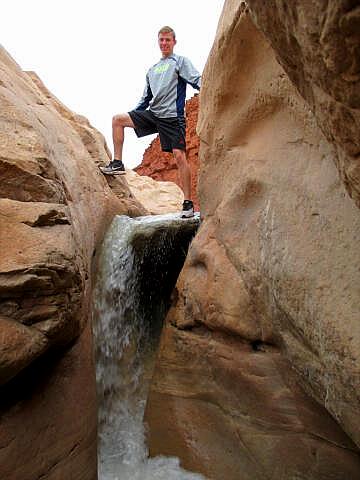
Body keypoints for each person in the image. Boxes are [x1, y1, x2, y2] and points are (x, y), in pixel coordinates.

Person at [100, 26, 201, 218]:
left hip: (173, 117)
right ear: (158, 42)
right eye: (161, 40)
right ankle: (118, 163)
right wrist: (135, 114)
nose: (164, 43)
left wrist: (208, 89)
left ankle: (188, 203)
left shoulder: (180, 62)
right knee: (118, 120)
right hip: (153, 113)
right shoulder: (152, 70)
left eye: (167, 40)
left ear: (174, 42)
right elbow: (146, 98)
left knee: (180, 156)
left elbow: (196, 79)